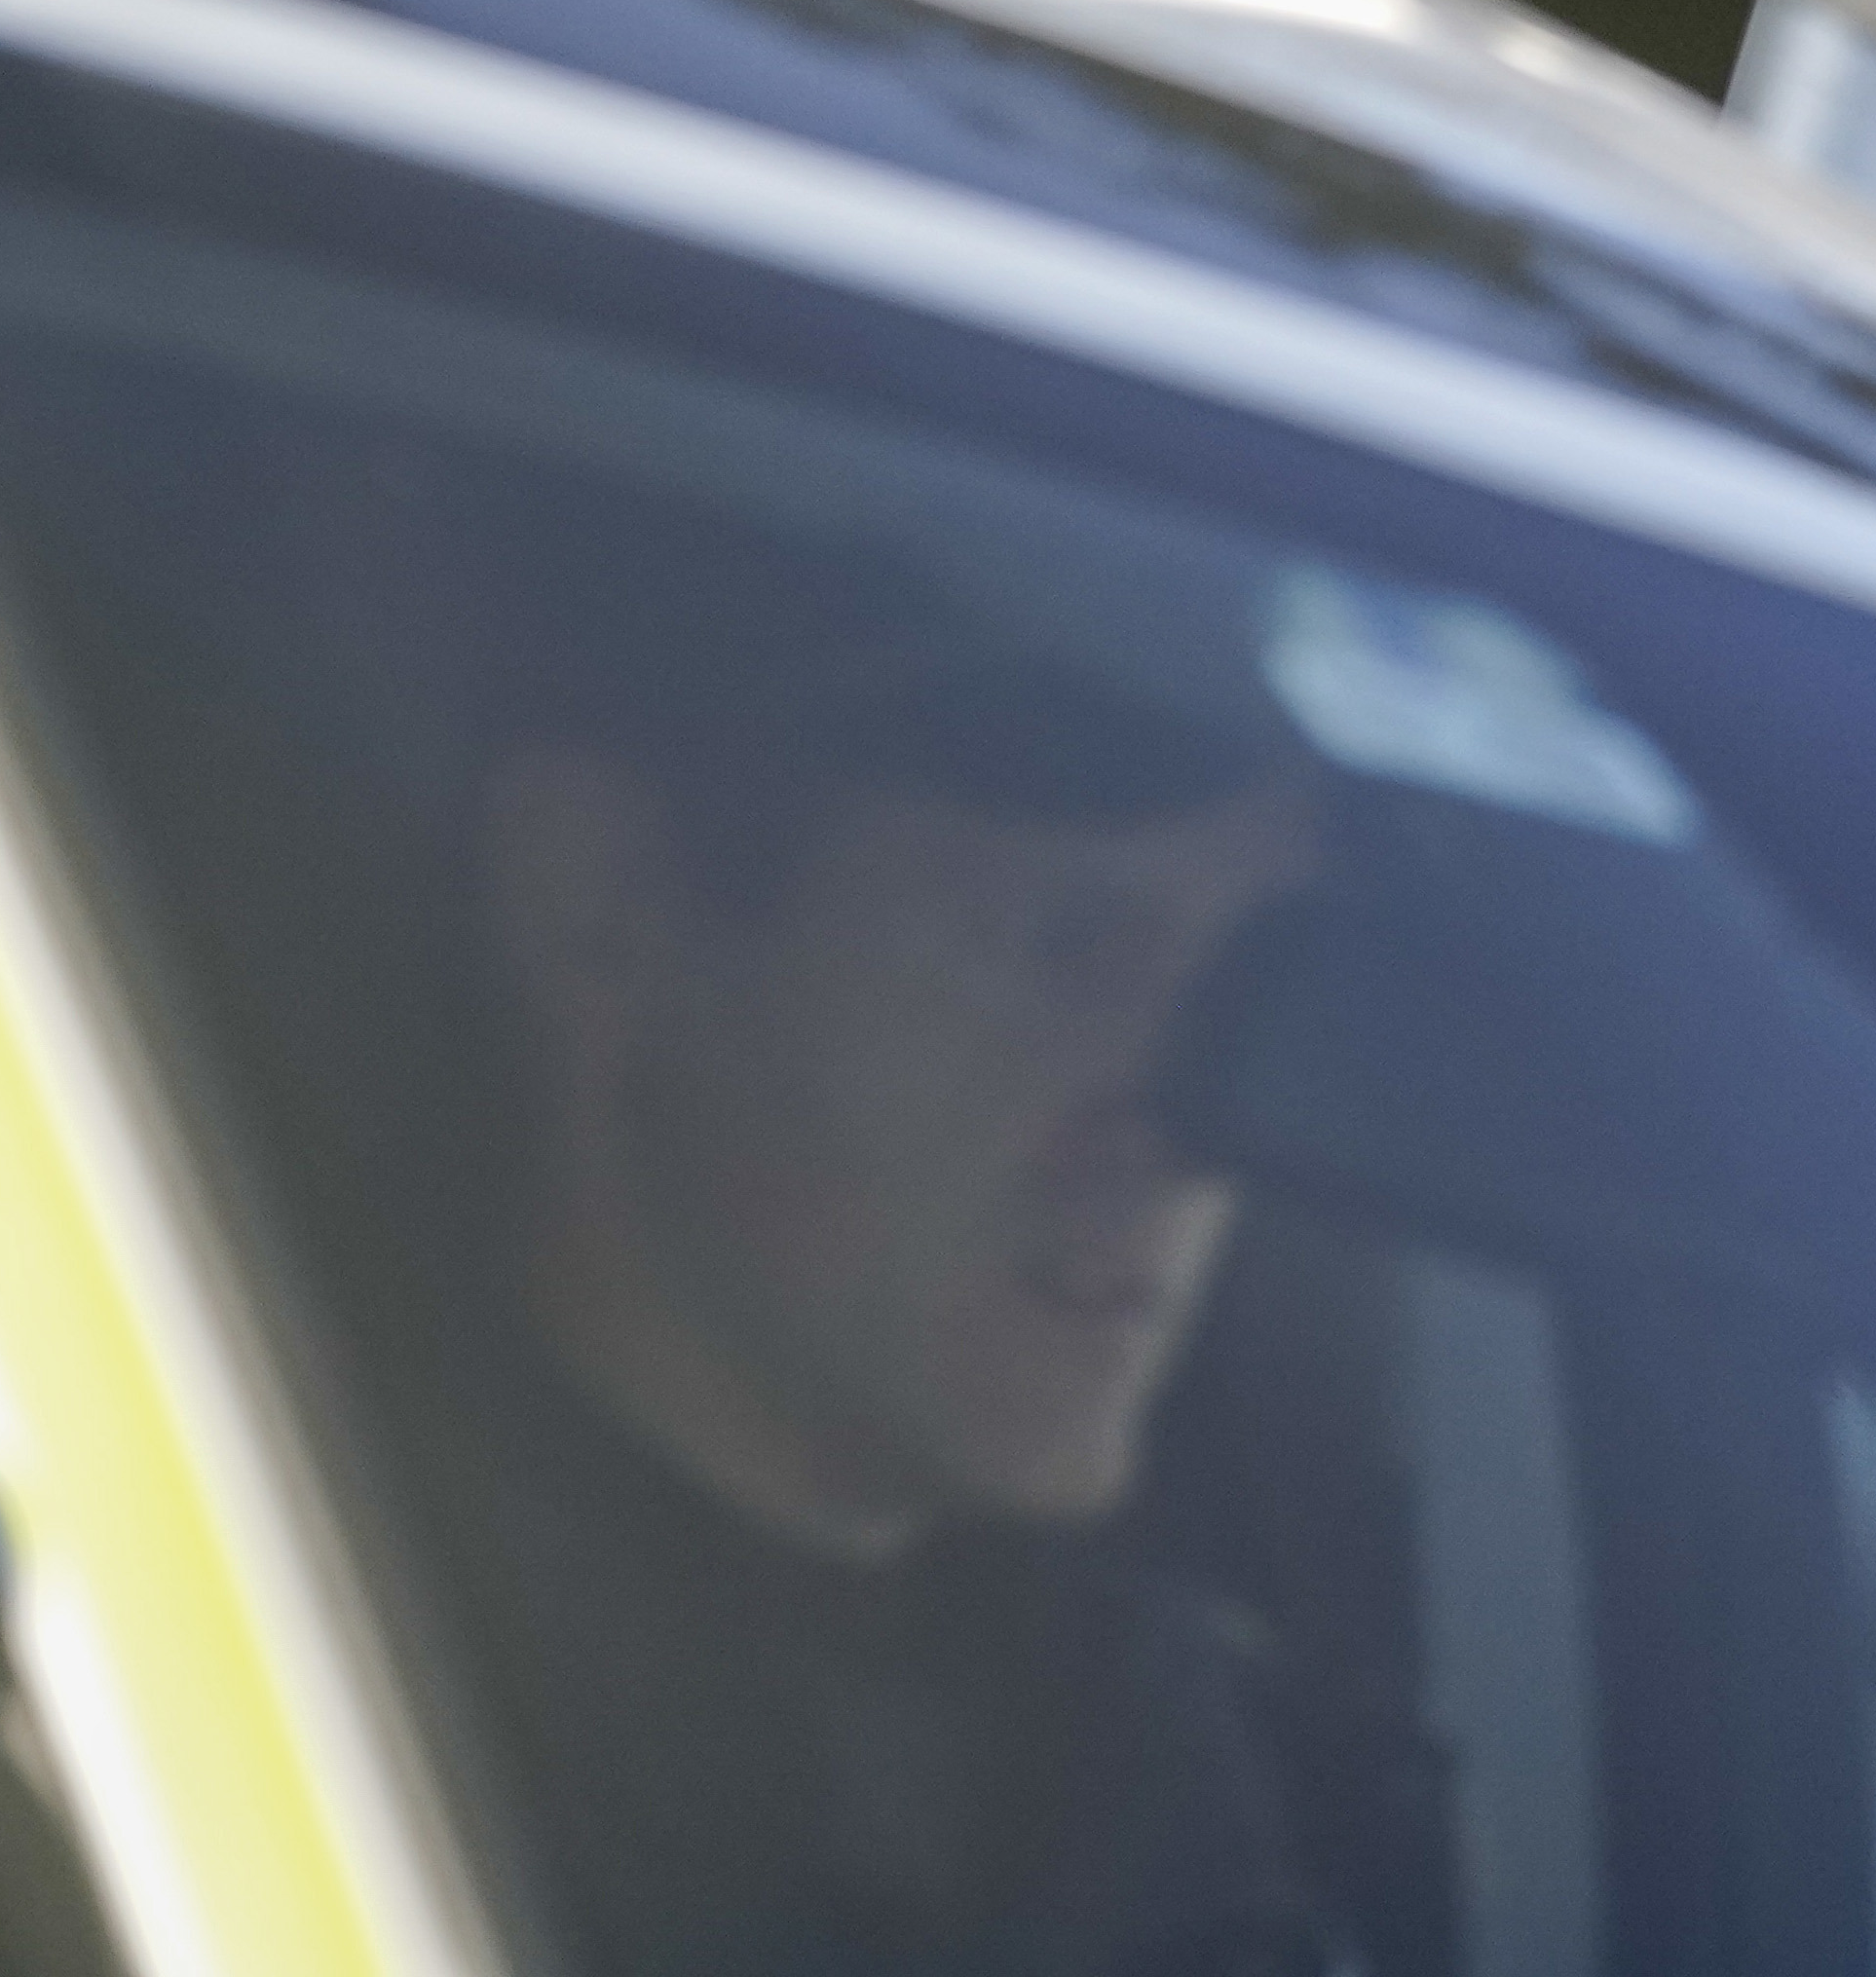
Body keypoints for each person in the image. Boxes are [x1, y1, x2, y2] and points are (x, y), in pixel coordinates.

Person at [426, 578, 1360, 1977]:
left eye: (1236, 1001)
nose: (1183, 1133)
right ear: (599, 905)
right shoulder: (288, 1647)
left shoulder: (1145, 1746)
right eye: (1066, 946)